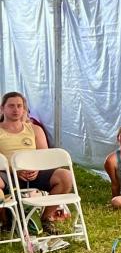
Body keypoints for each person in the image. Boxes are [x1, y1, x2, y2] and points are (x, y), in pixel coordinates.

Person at [0, 91, 72, 230]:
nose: (16, 109)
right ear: (2, 108)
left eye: (19, 106)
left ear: (24, 109)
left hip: (33, 173)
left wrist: (36, 168)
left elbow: (44, 157)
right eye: (11, 106)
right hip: (7, 173)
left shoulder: (35, 130)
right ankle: (5, 222)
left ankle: (45, 219)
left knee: (65, 176)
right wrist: (13, 169)